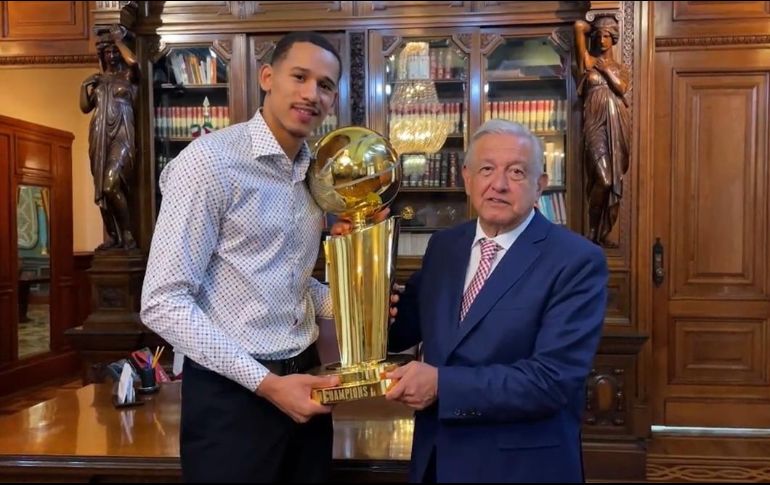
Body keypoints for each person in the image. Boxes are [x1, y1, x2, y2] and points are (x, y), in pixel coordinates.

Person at [141, 32, 348, 483]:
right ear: (268, 77)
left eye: (327, 85)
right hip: (233, 399)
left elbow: (285, 278)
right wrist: (268, 385)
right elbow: (163, 301)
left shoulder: (315, 173)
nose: (312, 94)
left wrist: (353, 302)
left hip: (307, 382)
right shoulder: (209, 162)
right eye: (300, 76)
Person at [385, 119, 608, 483]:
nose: (498, 184)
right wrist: (361, 279)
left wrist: (442, 384)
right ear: (466, 178)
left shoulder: (576, 260)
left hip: (519, 467)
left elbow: (550, 381)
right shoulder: (444, 247)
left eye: (517, 172)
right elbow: (399, 331)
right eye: (486, 169)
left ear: (540, 185)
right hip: (437, 460)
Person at [79, 24, 139, 250]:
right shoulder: (100, 81)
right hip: (100, 134)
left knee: (110, 184)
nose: (112, 55)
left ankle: (127, 232)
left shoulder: (128, 76)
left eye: (114, 51)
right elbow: (85, 107)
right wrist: (85, 85)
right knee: (101, 187)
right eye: (108, 52)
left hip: (122, 133)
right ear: (102, 55)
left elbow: (133, 61)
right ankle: (113, 236)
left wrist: (118, 40)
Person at [574, 16, 631, 247]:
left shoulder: (620, 68)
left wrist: (605, 69)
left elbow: (621, 87)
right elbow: (579, 26)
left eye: (607, 35)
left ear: (614, 39)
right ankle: (594, 228)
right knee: (604, 180)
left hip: (616, 123)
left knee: (613, 178)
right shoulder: (587, 61)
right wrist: (593, 27)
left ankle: (602, 233)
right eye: (598, 35)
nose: (602, 39)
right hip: (594, 124)